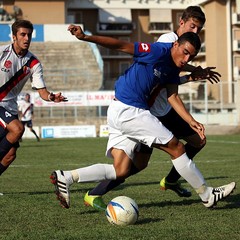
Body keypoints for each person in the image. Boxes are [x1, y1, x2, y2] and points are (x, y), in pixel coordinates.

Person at [50, 24, 235, 211]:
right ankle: (207, 195)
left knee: (120, 170)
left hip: (120, 110)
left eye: (191, 57)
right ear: (176, 44)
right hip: (130, 110)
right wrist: (86, 37)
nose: (186, 59)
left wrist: (191, 121)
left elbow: (173, 96)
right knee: (176, 147)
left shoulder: (172, 68)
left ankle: (66, 177)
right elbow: (122, 45)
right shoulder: (157, 51)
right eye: (185, 52)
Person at [0, 20, 67, 181]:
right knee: (17, 129)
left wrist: (51, 97)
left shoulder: (34, 64)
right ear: (14, 36)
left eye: (29, 35)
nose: (26, 38)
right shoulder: (2, 53)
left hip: (10, 106)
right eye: (22, 34)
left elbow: (42, 92)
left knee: (10, 155)